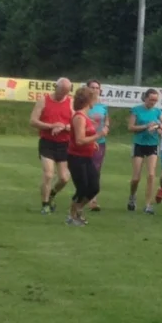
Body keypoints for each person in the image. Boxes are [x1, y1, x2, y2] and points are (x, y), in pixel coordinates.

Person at [30, 77, 73, 213]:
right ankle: (45, 205)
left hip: (64, 144)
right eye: (61, 91)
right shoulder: (43, 101)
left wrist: (64, 127)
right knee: (48, 174)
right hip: (47, 142)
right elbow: (33, 121)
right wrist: (51, 126)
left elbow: (77, 123)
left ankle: (52, 195)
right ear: (56, 87)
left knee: (64, 178)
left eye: (66, 92)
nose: (63, 95)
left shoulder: (71, 102)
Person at [65, 85, 106, 226]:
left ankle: (78, 209)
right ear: (88, 100)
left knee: (94, 187)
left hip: (86, 156)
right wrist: (98, 136)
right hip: (76, 157)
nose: (96, 100)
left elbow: (85, 138)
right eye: (94, 97)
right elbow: (79, 140)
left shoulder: (85, 116)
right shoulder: (79, 117)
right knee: (82, 188)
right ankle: (72, 216)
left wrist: (92, 143)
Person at [127, 89, 162, 214]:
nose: (153, 102)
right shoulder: (136, 110)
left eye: (155, 100)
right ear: (145, 98)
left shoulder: (157, 111)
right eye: (151, 99)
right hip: (139, 144)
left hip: (153, 144)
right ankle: (132, 196)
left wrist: (157, 126)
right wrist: (146, 126)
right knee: (136, 178)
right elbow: (130, 127)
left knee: (151, 175)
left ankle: (148, 204)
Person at [86, 80, 109, 212]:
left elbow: (106, 120)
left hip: (100, 142)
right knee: (84, 170)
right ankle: (83, 194)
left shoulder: (103, 106)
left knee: (96, 170)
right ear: (87, 89)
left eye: (97, 88)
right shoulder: (83, 105)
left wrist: (106, 127)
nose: (95, 90)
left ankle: (93, 199)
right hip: (85, 141)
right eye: (92, 87)